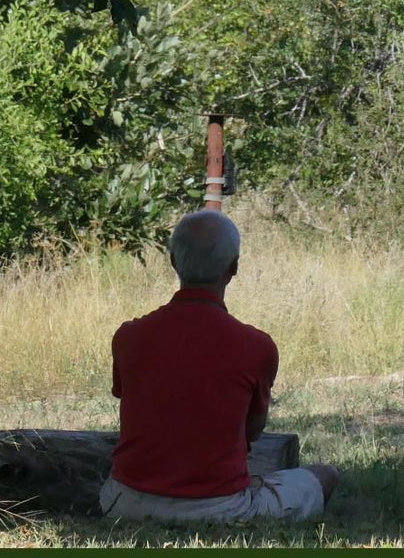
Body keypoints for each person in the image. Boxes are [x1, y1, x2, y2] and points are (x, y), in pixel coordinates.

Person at [99, 210, 339, 523]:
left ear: (173, 261)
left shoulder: (128, 337)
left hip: (124, 502)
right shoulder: (257, 346)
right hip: (220, 508)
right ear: (234, 267)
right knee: (325, 475)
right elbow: (252, 430)